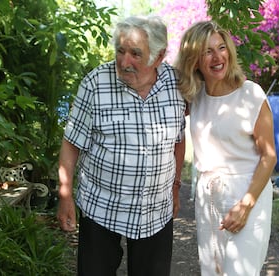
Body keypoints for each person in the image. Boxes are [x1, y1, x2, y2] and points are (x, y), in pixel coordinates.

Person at [57, 16, 186, 276]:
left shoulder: (177, 85)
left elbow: (178, 141)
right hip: (102, 207)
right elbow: (72, 143)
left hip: (156, 210)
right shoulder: (95, 84)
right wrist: (65, 194)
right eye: (120, 51)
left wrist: (175, 187)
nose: (124, 62)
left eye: (136, 54)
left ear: (159, 57)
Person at [174, 21, 277, 275]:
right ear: (194, 60)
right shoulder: (195, 97)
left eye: (222, 47)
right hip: (207, 197)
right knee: (213, 271)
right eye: (207, 51)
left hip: (246, 193)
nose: (218, 57)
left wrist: (246, 205)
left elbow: (269, 156)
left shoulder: (251, 94)